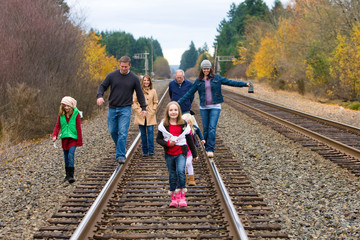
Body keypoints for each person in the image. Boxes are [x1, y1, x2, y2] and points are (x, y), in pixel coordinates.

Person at [178, 59, 251, 158]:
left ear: (210, 68)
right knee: (206, 129)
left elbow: (230, 82)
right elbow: (189, 93)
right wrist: (177, 103)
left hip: (215, 107)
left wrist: (244, 84)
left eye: (207, 68)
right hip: (204, 107)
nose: (206, 70)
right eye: (204, 68)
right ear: (202, 69)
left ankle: (210, 149)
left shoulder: (217, 78)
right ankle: (206, 145)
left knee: (212, 128)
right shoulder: (198, 81)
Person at [97, 56, 147, 164]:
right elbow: (102, 86)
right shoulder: (112, 76)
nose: (124, 68)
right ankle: (121, 147)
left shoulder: (134, 78)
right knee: (113, 131)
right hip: (112, 108)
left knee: (123, 133)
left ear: (129, 66)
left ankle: (120, 155)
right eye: (122, 66)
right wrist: (99, 96)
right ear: (119, 65)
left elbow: (140, 94)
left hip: (125, 108)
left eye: (126, 67)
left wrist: (144, 107)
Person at [156, 101, 198, 208]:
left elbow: (189, 140)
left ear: (178, 111)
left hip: (181, 152)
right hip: (169, 153)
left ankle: (182, 196)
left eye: (175, 110)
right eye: (171, 110)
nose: (173, 112)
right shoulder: (164, 125)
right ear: (167, 112)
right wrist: (167, 143)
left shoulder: (183, 124)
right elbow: (158, 139)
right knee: (172, 174)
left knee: (180, 171)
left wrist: (194, 154)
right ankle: (174, 197)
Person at [52, 96, 83, 184]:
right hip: (64, 139)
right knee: (66, 157)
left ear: (71, 106)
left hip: (73, 139)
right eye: (64, 106)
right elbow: (57, 126)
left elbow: (78, 127)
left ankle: (71, 176)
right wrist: (55, 135)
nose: (66, 107)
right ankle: (67, 175)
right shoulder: (61, 115)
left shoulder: (76, 114)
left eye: (68, 106)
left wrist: (79, 141)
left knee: (70, 156)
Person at [132, 75, 158, 157]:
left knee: (150, 132)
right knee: (143, 134)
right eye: (144, 80)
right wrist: (139, 110)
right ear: (142, 81)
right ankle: (145, 151)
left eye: (147, 80)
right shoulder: (138, 91)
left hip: (150, 114)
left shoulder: (153, 91)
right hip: (141, 114)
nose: (146, 82)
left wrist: (153, 110)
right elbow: (134, 102)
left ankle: (151, 150)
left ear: (150, 81)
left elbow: (156, 102)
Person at [181, 113, 205, 186]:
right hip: (183, 149)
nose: (187, 124)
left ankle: (191, 179)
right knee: (183, 165)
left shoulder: (194, 128)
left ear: (191, 122)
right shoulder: (181, 129)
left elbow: (199, 133)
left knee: (188, 163)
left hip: (191, 149)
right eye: (186, 122)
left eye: (189, 122)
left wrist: (202, 139)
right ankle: (184, 180)